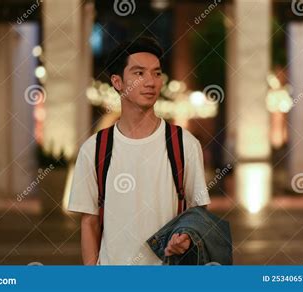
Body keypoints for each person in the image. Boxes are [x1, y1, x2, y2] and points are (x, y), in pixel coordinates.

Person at [67, 37, 211, 265]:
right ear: (117, 82)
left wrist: (186, 237)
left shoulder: (184, 144)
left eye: (156, 73)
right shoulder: (94, 149)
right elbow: (89, 222)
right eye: (139, 73)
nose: (151, 82)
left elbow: (199, 213)